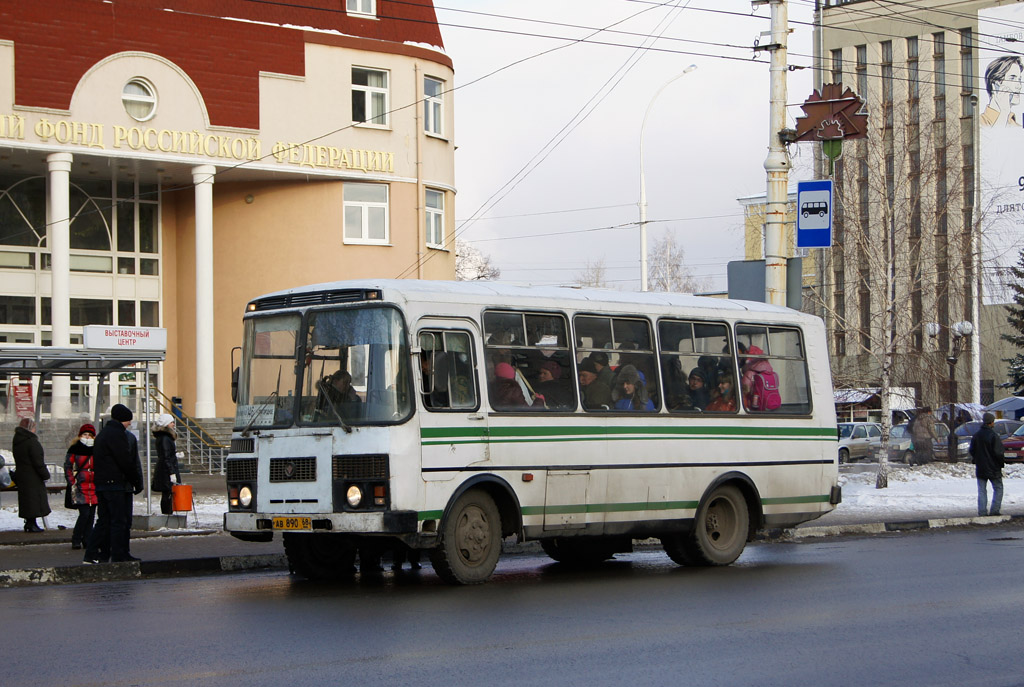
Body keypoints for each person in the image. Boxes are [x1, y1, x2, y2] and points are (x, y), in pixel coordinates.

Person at [84, 404, 144, 564]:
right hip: (115, 484)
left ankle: (94, 554)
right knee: (118, 521)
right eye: (128, 421)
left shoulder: (103, 434)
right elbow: (125, 460)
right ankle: (118, 554)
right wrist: (136, 481)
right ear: (122, 420)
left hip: (103, 484)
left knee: (104, 520)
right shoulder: (117, 435)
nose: (129, 424)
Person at [12, 417, 50, 533]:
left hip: (22, 475)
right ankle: (32, 524)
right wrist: (45, 474)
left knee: (27, 500)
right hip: (33, 476)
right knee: (34, 500)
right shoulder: (32, 442)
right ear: (30, 428)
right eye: (33, 427)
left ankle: (29, 523)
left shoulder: (18, 440)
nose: (35, 429)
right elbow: (38, 461)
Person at [64, 423, 97, 549]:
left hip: (94, 486)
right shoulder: (74, 449)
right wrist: (72, 482)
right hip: (80, 486)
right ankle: (76, 538)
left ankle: (87, 539)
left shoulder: (97, 449)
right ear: (80, 435)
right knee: (84, 514)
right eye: (85, 434)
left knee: (91, 515)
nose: (87, 437)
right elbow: (68, 466)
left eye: (90, 435)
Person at [970, 412, 1005, 516]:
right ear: (991, 422)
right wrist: (1001, 464)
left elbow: (972, 450)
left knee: (982, 491)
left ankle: (982, 512)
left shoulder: (977, 435)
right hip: (993, 467)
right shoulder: (994, 436)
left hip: (981, 467)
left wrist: (976, 460)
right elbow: (998, 453)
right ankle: (995, 510)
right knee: (998, 488)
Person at [151, 413, 182, 516]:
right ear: (166, 424)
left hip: (165, 469)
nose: (173, 424)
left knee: (168, 493)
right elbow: (165, 456)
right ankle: (167, 514)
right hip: (166, 471)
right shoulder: (165, 438)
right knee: (167, 493)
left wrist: (175, 455)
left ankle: (168, 513)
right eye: (171, 422)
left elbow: (166, 454)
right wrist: (171, 472)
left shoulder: (164, 437)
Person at [980, 55, 1023, 127]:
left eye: (1019, 80)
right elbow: (994, 137)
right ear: (996, 84)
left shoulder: (1017, 126)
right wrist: (1004, 112)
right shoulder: (980, 123)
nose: (1019, 86)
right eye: (1012, 78)